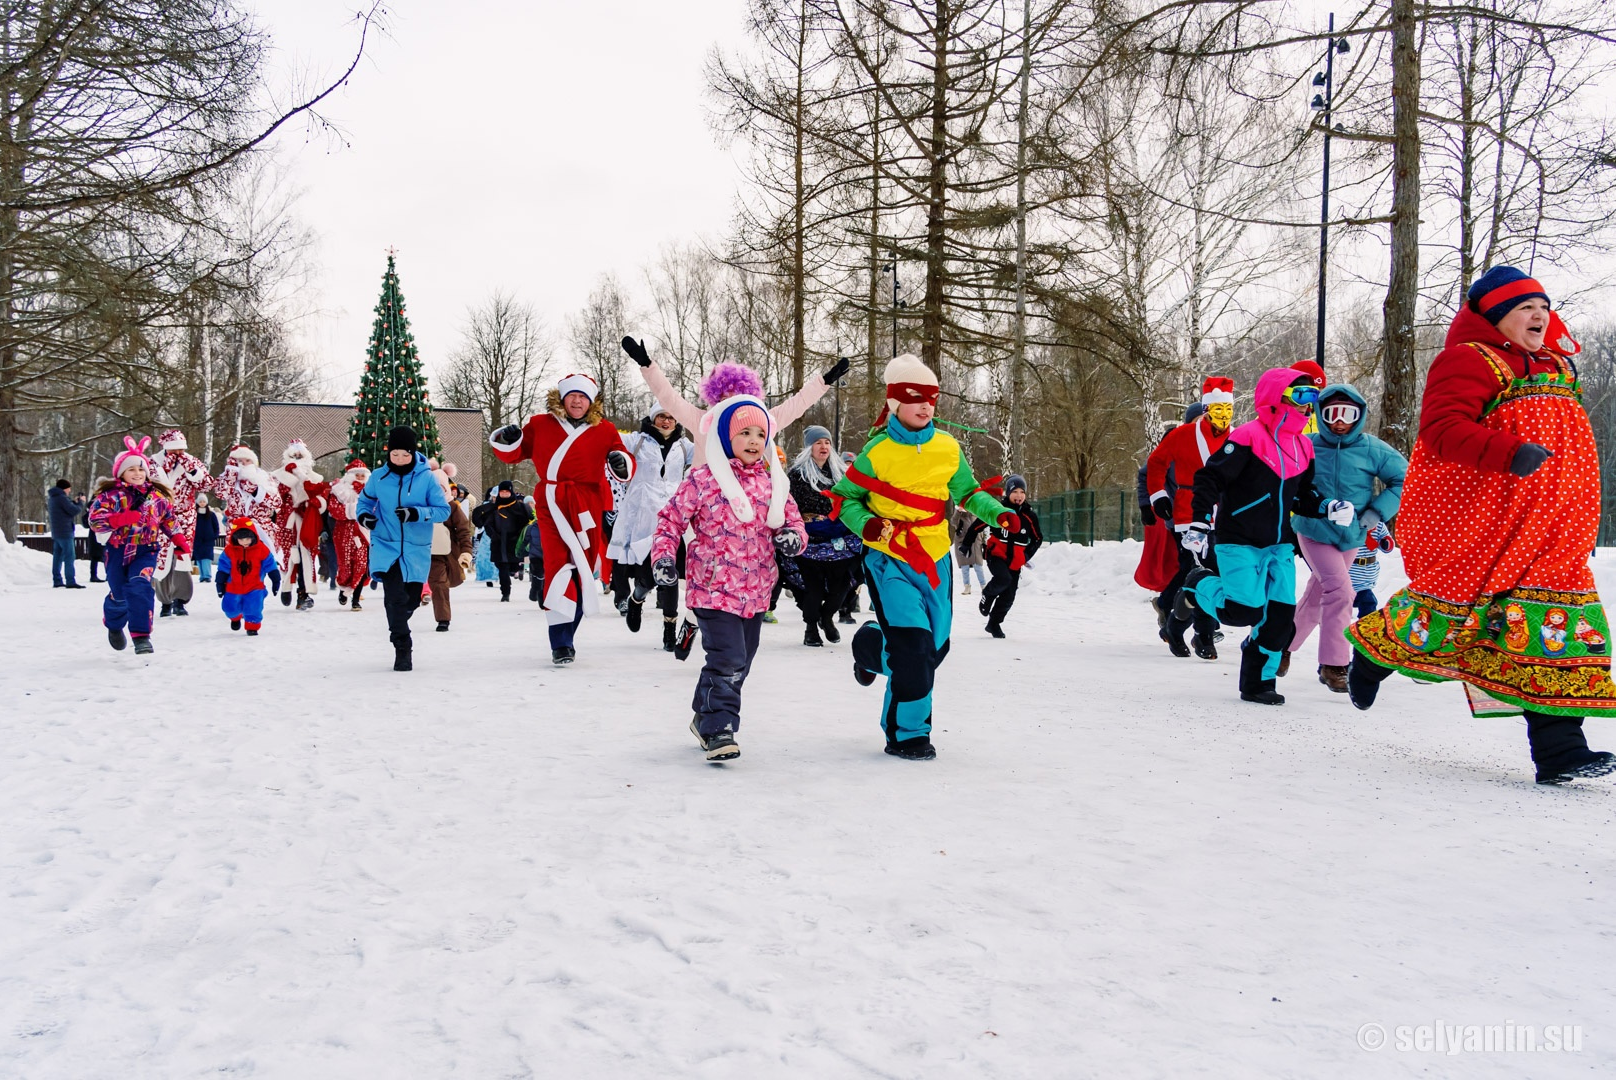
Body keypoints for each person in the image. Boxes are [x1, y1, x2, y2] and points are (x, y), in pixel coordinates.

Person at [1345, 266, 1615, 784]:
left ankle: (1562, 753)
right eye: (1523, 308)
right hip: (1491, 522)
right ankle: (1374, 652)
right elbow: (1442, 430)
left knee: (1556, 630)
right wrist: (1508, 451)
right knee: (1454, 614)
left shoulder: (1557, 364)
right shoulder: (1469, 360)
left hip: (1554, 525)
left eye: (1543, 306)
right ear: (1493, 318)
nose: (1538, 315)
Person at [833, 355, 1014, 760]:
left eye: (931, 397)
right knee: (913, 650)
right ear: (895, 402)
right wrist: (870, 526)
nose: (926, 404)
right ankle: (908, 733)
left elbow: (968, 493)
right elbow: (845, 500)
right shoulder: (876, 452)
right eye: (915, 397)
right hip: (888, 558)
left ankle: (869, 647)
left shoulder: (948, 447)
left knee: (935, 649)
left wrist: (997, 513)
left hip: (934, 557)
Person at [1174, 369, 1354, 705]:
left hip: (1280, 545)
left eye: (1313, 399)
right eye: (1302, 397)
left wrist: (1328, 507)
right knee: (1242, 612)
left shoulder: (1304, 446)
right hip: (1239, 540)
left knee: (1280, 622)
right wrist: (1199, 522)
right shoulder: (1247, 437)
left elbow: (1302, 495)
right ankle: (1199, 582)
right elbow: (1209, 479)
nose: (1308, 406)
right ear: (1278, 398)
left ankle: (1259, 683)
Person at [651, 392, 806, 761]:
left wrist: (792, 538)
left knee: (742, 659)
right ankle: (719, 729)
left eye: (759, 434)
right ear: (726, 439)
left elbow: (795, 524)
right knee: (729, 657)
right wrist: (663, 558)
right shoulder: (703, 479)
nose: (754, 441)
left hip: (755, 592)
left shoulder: (774, 484)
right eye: (744, 433)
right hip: (712, 588)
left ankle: (704, 712)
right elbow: (670, 520)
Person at [490, 374, 635, 665]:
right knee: (557, 566)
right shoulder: (541, 424)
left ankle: (568, 632)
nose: (577, 401)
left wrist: (621, 461)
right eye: (572, 396)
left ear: (591, 401)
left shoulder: (605, 429)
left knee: (582, 569)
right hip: (552, 502)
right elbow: (514, 453)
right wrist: (507, 439)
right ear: (563, 398)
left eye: (583, 397)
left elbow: (623, 461)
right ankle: (560, 642)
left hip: (587, 503)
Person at [1283, 384, 1406, 692]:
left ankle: (1276, 648)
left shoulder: (1372, 448)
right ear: (1322, 415)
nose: (1340, 421)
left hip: (1352, 535)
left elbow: (1403, 478)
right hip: (1313, 530)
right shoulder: (1307, 444)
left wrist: (1377, 512)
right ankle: (1335, 665)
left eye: (1348, 414)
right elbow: (1285, 477)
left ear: (1359, 415)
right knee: (1340, 591)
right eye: (1332, 413)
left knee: (1315, 598)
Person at [1146, 378, 1235, 659]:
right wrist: (1158, 495)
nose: (1222, 418)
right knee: (1203, 572)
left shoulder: (1239, 438)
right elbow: (1156, 462)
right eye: (1217, 410)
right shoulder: (1183, 435)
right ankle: (1203, 635)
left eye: (1227, 410)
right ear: (1208, 410)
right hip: (1188, 512)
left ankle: (1175, 624)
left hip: (1225, 515)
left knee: (1213, 573)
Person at [357, 427, 451, 671]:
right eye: (395, 454)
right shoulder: (378, 477)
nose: (399, 459)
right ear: (389, 452)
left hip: (415, 549)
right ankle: (402, 647)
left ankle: (398, 621)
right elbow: (364, 501)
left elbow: (443, 510)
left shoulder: (427, 478)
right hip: (385, 545)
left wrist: (416, 513)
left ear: (413, 452)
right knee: (394, 599)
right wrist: (365, 516)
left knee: (408, 599)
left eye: (405, 455)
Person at [86, 436, 188, 655]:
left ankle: (141, 636)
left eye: (141, 469)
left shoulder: (157, 497)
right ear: (120, 472)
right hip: (117, 550)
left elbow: (169, 520)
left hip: (146, 550)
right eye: (131, 469)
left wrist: (179, 541)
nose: (137, 473)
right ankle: (113, 625)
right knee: (120, 593)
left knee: (140, 586)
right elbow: (94, 520)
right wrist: (120, 519)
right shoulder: (110, 496)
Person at [609, 401, 693, 649]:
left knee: (670, 575)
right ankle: (637, 598)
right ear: (653, 418)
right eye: (661, 417)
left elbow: (711, 448)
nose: (666, 421)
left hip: (674, 520)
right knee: (648, 576)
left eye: (671, 417)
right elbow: (608, 443)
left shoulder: (685, 447)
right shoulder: (636, 441)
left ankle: (670, 631)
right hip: (644, 519)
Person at [787, 425, 862, 647]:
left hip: (840, 541)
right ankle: (811, 626)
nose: (824, 446)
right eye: (818, 442)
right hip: (809, 543)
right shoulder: (797, 475)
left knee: (841, 586)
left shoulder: (841, 474)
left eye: (827, 442)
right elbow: (791, 505)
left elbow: (851, 498)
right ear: (809, 447)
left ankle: (827, 617)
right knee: (813, 588)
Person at [961, 474, 1043, 639]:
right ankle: (988, 594)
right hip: (996, 555)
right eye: (1015, 491)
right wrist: (966, 544)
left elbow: (1037, 538)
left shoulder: (1029, 516)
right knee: (1003, 579)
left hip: (1015, 561)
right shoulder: (999, 511)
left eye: (1022, 492)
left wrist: (1026, 555)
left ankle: (994, 624)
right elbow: (976, 526)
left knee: (1009, 596)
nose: (1018, 495)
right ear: (1008, 493)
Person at [150, 429, 212, 617]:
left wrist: (192, 470)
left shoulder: (191, 462)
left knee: (182, 557)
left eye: (181, 450)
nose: (178, 454)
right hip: (160, 517)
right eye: (174, 451)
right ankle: (164, 600)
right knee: (162, 558)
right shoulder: (153, 463)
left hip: (184, 517)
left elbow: (207, 485)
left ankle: (180, 599)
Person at [271, 439, 328, 611]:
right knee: (289, 557)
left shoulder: (314, 478)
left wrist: (317, 503)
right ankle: (286, 586)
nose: (296, 458)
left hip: (306, 521)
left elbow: (322, 499)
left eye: (300, 455)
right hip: (287, 523)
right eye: (293, 455)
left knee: (307, 557)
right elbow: (275, 499)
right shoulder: (278, 476)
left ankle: (304, 594)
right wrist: (289, 479)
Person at [426, 460, 474, 631]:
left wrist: (466, 552)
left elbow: (463, 530)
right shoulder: (421, 507)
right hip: (429, 553)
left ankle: (443, 617)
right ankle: (443, 619)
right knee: (439, 584)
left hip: (449, 552)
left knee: (449, 581)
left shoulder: (452, 507)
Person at [469, 479, 532, 602]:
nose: (504, 494)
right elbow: (483, 520)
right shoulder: (493, 508)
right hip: (498, 542)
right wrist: (492, 534)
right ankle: (505, 592)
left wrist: (522, 535)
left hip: (514, 542)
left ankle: (514, 571)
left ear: (511, 492)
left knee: (512, 566)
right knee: (502, 566)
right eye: (502, 492)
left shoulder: (520, 507)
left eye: (506, 492)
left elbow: (530, 521)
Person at [214, 518, 276, 636]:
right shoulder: (229, 551)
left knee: (254, 607)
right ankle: (235, 616)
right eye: (241, 539)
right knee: (229, 608)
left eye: (248, 538)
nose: (245, 542)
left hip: (255, 586)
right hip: (233, 586)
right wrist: (220, 583)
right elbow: (223, 568)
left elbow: (270, 563)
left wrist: (275, 578)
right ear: (235, 538)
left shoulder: (261, 549)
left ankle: (252, 625)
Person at [328, 458, 372, 610]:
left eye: (362, 475)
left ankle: (355, 599)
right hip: (344, 533)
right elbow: (334, 510)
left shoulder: (371, 492)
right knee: (345, 565)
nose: (359, 478)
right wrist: (355, 510)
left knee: (361, 564)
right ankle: (343, 587)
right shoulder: (339, 491)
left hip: (363, 532)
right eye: (357, 475)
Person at [48, 479, 86, 588]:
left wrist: (73, 502)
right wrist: (81, 503)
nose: (69, 491)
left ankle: (57, 580)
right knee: (69, 556)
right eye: (69, 488)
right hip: (65, 531)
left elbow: (65, 509)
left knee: (58, 556)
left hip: (57, 531)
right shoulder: (62, 498)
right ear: (65, 488)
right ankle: (70, 580)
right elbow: (73, 511)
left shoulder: (53, 498)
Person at [952, 507, 986, 595]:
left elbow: (983, 530)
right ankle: (967, 586)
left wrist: (984, 542)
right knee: (965, 567)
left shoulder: (977, 516)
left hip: (976, 545)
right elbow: (953, 521)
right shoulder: (960, 517)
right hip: (962, 544)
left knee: (978, 567)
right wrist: (958, 511)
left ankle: (983, 586)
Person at [193, 494, 221, 584]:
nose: (202, 503)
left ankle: (207, 576)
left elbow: (216, 526)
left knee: (206, 558)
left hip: (208, 541)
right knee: (199, 558)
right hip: (197, 540)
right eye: (200, 501)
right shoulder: (194, 514)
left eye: (204, 501)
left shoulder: (211, 514)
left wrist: (214, 536)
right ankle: (202, 576)